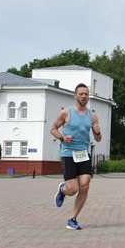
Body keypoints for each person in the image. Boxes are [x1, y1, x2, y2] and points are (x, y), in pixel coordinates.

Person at [51, 83, 102, 230]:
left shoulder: (92, 115)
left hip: (83, 153)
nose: (84, 96)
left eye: (86, 94)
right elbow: (53, 129)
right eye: (81, 94)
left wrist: (97, 132)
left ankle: (72, 219)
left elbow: (98, 139)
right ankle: (63, 190)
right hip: (68, 154)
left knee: (85, 185)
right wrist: (62, 137)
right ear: (75, 96)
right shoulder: (66, 113)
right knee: (73, 190)